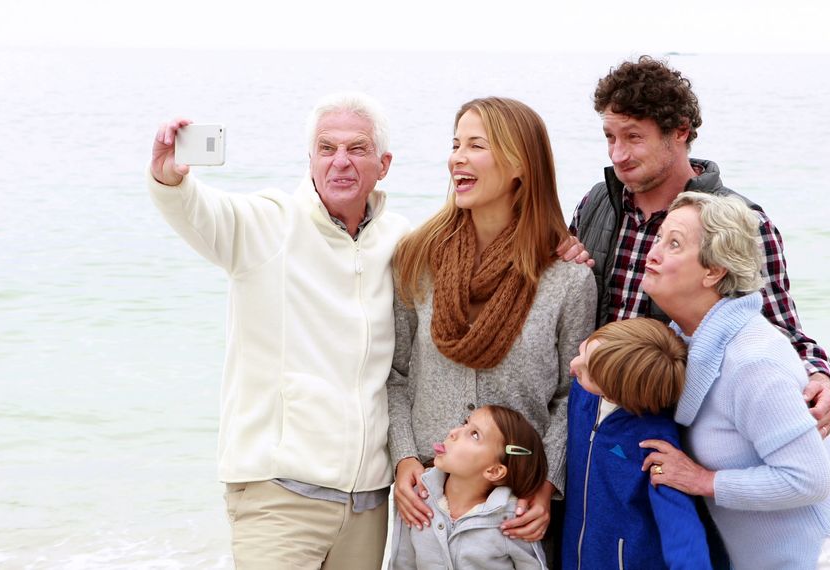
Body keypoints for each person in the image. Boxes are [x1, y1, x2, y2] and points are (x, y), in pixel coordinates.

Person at [147, 93, 411, 569]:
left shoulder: (401, 240)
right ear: (309, 159)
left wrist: (556, 247)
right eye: (327, 148)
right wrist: (171, 178)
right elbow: (203, 213)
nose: (341, 162)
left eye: (357, 148)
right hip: (279, 497)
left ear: (384, 163)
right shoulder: (269, 223)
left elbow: (468, 256)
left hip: (369, 502)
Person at [565, 55, 830, 436]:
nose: (617, 154)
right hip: (590, 421)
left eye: (633, 137)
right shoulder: (596, 203)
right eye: (610, 137)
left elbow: (778, 331)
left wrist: (820, 377)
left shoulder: (740, 222)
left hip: (674, 429)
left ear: (680, 132)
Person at [387, 97, 596, 548]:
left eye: (476, 145)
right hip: (425, 499)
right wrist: (404, 457)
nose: (457, 157)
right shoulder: (417, 260)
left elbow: (571, 395)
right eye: (455, 143)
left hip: (515, 511)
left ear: (520, 163)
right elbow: (396, 374)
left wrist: (547, 486)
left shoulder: (568, 280)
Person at [639, 192, 830, 569]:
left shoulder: (753, 360)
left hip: (822, 554)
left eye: (674, 244)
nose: (653, 254)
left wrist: (702, 480)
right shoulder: (687, 341)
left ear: (714, 270)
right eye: (659, 239)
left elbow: (808, 479)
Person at [563, 318, 711, 569]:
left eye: (589, 372)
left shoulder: (655, 443)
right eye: (583, 351)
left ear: (617, 391)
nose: (573, 366)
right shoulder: (582, 393)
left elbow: (681, 530)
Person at [390, 405, 549, 569]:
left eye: (474, 434)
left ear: (494, 471)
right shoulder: (417, 497)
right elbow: (402, 563)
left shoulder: (512, 520)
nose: (453, 432)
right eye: (465, 423)